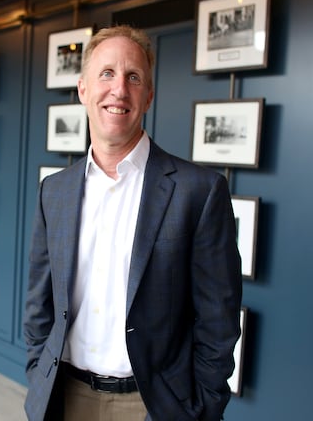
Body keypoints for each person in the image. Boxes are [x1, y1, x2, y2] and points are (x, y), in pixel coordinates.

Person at [23, 25, 242, 421]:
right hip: (63, 397)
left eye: (133, 77)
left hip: (153, 406)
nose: (119, 89)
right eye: (106, 73)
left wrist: (202, 408)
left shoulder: (199, 192)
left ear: (149, 96)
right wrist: (38, 371)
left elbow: (219, 319)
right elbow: (40, 305)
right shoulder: (52, 192)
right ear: (83, 89)